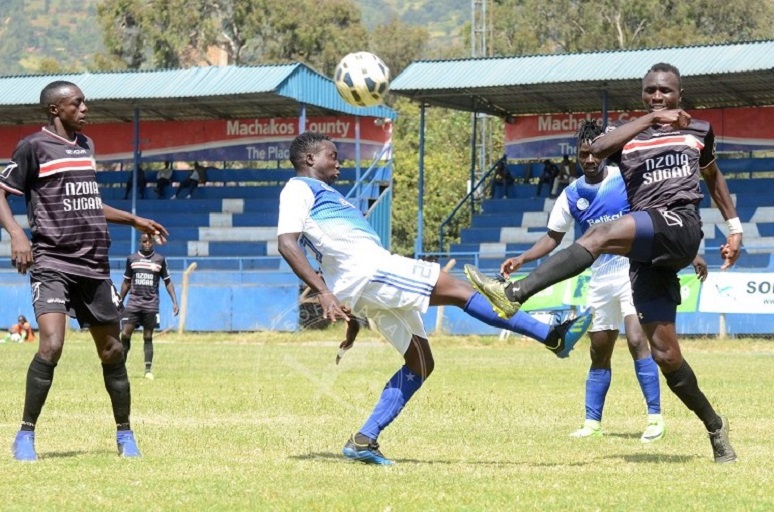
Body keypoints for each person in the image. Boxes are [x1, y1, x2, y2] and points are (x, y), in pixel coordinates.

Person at [465, 63, 742, 463]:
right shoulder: (630, 136)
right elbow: (595, 149)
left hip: (681, 223)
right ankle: (716, 426)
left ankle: (513, 293)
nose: (657, 97)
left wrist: (734, 229)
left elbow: (713, 177)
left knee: (597, 236)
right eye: (650, 92)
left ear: (679, 94)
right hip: (648, 249)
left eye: (665, 92)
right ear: (643, 95)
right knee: (666, 355)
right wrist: (650, 118)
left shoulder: (698, 131)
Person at [276, 132, 593, 466]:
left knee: (421, 363)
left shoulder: (327, 194)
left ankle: (363, 439)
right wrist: (325, 292)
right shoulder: (299, 187)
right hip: (371, 271)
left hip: (364, 280)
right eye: (332, 155)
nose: (338, 162)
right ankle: (552, 337)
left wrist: (348, 308)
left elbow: (331, 251)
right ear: (310, 159)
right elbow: (287, 242)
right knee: (460, 291)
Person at [506, 120, 707, 443]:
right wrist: (523, 259)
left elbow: (658, 216)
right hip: (599, 278)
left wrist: (690, 253)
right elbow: (552, 238)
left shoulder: (624, 179)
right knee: (599, 349)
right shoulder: (571, 195)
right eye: (583, 154)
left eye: (594, 153)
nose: (589, 160)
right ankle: (592, 422)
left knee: (637, 340)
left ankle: (655, 418)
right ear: (576, 154)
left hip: (633, 270)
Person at [0, 80, 170, 462]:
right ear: (54, 109)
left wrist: (133, 219)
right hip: (53, 261)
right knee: (51, 345)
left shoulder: (86, 146)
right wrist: (16, 234)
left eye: (84, 103)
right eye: (76, 103)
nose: (85, 109)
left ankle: (125, 434)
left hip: (94, 263)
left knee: (112, 351)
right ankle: (25, 435)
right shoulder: (33, 146)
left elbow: (90, 203)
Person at [119, 233, 179, 380]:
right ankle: (120, 369)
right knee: (125, 334)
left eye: (149, 241)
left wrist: (174, 301)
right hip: (133, 303)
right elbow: (126, 282)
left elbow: (167, 281)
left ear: (153, 243)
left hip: (150, 305)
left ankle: (147, 370)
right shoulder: (132, 259)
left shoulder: (160, 260)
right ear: (140, 242)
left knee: (148, 337)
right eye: (144, 241)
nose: (147, 243)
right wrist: (120, 300)